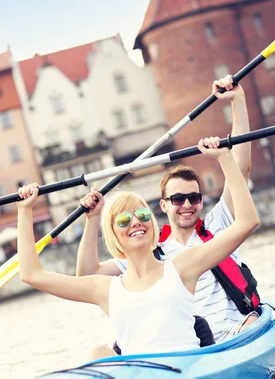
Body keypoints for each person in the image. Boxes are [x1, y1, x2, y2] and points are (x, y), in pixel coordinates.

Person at [17, 136, 259, 358]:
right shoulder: (104, 288)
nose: (135, 222)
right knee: (97, 353)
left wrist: (225, 158)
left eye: (142, 214)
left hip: (187, 370)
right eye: (123, 220)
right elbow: (31, 274)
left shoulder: (183, 266)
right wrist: (25, 210)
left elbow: (247, 222)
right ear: (114, 235)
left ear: (152, 223)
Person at [76, 75, 258, 342]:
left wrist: (237, 101)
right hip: (189, 343)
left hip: (235, 332)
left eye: (194, 197)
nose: (187, 205)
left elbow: (240, 169)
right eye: (177, 199)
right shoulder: (148, 250)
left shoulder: (219, 224)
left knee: (252, 322)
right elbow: (88, 275)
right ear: (163, 205)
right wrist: (92, 220)